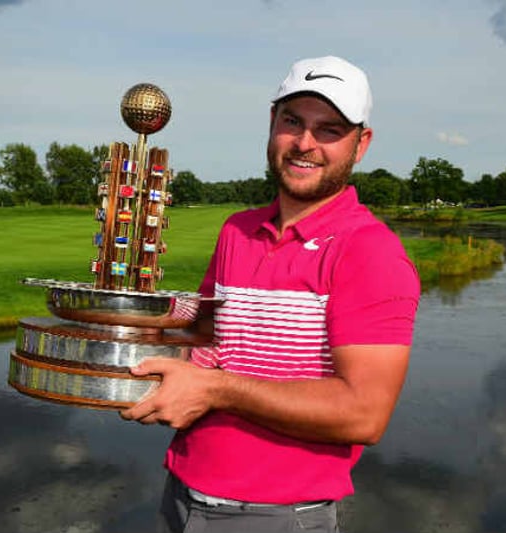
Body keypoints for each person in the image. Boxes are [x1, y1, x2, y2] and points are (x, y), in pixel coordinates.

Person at [121, 56, 420, 532]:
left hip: (276, 514)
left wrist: (216, 389)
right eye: (293, 122)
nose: (305, 144)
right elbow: (203, 337)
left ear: (361, 144)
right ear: (272, 122)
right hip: (181, 493)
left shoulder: (371, 252)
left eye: (330, 130)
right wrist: (124, 313)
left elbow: (365, 414)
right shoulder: (237, 230)